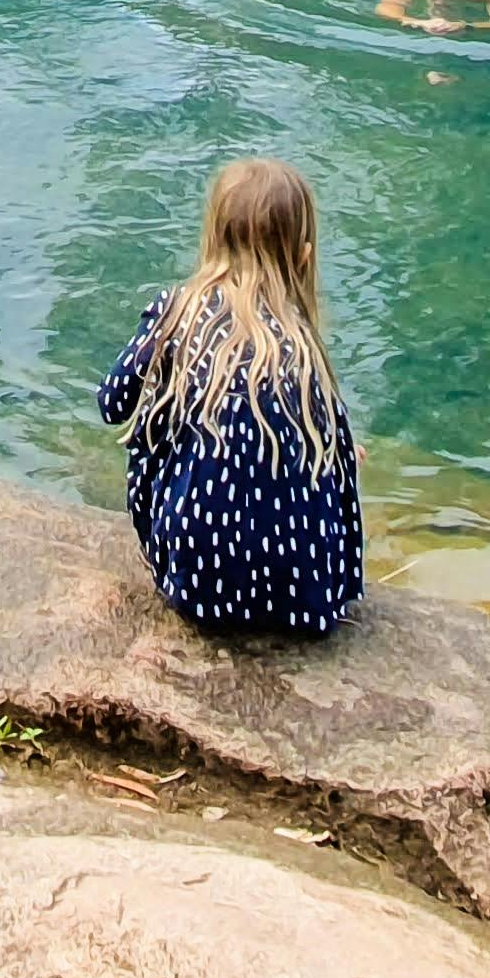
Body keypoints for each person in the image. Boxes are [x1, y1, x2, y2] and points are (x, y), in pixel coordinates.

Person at [98, 158, 362, 635]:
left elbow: (112, 403)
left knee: (152, 426)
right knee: (331, 452)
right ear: (303, 257)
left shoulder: (175, 312)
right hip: (304, 597)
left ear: (212, 238)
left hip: (199, 588)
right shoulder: (303, 345)